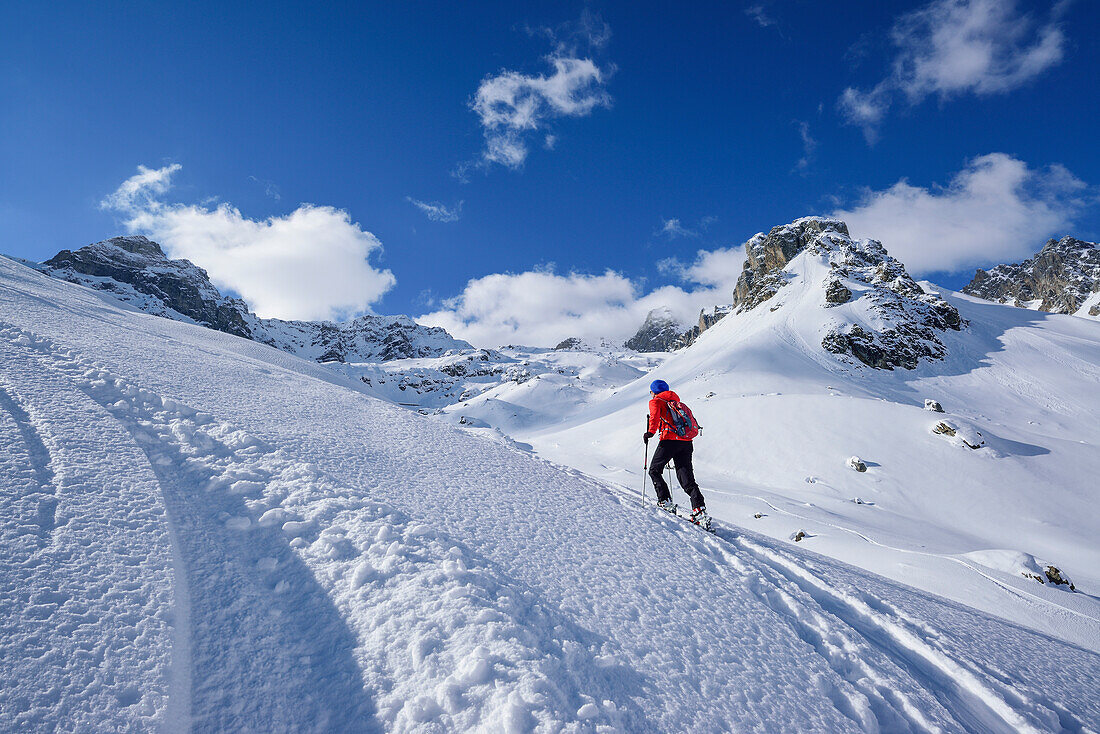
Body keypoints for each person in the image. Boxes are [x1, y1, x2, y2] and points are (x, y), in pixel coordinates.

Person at [643, 379, 711, 529]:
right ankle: (700, 511)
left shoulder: (656, 402)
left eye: (651, 391)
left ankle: (665, 502)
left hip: (669, 441)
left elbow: (654, 418)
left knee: (654, 470)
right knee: (687, 478)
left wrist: (650, 433)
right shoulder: (677, 402)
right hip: (686, 442)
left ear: (654, 391)